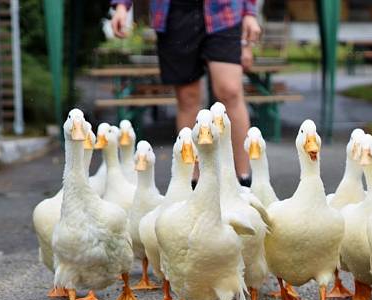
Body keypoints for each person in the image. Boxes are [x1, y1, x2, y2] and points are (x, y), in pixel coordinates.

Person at [111, 0, 261, 184]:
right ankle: (192, 183)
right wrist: (121, 6)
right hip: (174, 15)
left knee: (230, 91)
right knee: (187, 98)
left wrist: (250, 13)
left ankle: (244, 180)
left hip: (225, 13)